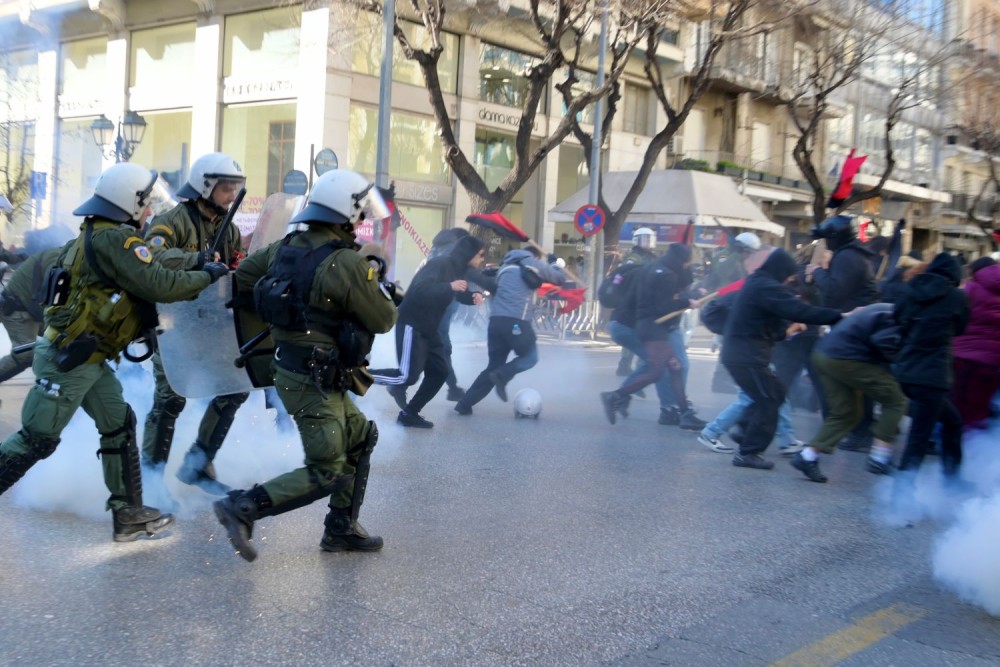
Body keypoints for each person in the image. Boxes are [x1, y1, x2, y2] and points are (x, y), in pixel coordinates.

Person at [0, 163, 228, 542]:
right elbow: (158, 282)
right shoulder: (117, 241)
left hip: (87, 356)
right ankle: (128, 512)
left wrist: (196, 261)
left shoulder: (99, 235)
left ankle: (128, 515)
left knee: (119, 424)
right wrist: (207, 276)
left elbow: (153, 264)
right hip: (70, 361)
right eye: (145, 202)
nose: (149, 211)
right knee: (37, 439)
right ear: (129, 201)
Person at [217, 168, 397, 561]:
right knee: (328, 468)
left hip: (293, 368)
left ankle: (341, 529)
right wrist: (380, 290)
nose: (363, 219)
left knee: (360, 436)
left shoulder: (286, 247)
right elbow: (384, 319)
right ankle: (244, 507)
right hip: (314, 379)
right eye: (360, 211)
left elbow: (245, 275)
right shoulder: (347, 262)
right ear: (344, 213)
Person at [141, 152, 249, 495]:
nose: (232, 196)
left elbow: (237, 266)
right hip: (173, 325)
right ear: (205, 186)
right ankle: (150, 482)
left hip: (213, 325)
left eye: (235, 188)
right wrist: (197, 259)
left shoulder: (228, 228)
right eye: (226, 188)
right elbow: (150, 254)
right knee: (170, 400)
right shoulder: (171, 221)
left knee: (235, 389)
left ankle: (198, 464)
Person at [721, 248, 845, 470]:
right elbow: (796, 310)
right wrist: (838, 317)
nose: (790, 279)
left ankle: (744, 431)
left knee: (773, 394)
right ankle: (748, 451)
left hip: (746, 353)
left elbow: (773, 322)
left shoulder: (760, 283)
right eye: (788, 274)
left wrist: (788, 330)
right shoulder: (765, 286)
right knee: (769, 398)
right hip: (746, 355)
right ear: (780, 269)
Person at [371, 233, 486, 428]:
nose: (482, 259)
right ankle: (355, 374)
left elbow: (455, 293)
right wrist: (449, 286)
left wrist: (471, 296)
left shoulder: (458, 270)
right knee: (407, 376)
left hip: (429, 328)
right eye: (480, 255)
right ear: (469, 253)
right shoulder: (440, 264)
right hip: (412, 323)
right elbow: (420, 290)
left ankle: (409, 413)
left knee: (440, 372)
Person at [789, 303, 908, 483]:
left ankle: (807, 456)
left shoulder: (885, 307)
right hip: (847, 358)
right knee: (896, 401)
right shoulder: (899, 314)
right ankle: (880, 457)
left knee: (845, 413)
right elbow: (885, 342)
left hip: (824, 354)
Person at [600, 243, 706, 430]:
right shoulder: (666, 275)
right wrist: (688, 301)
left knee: (674, 366)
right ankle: (617, 396)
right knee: (659, 370)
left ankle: (684, 413)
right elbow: (663, 307)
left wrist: (685, 298)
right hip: (651, 328)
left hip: (646, 326)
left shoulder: (656, 270)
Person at [454, 246, 565, 415]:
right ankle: (503, 375)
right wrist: (554, 264)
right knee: (530, 357)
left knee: (493, 366)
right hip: (516, 323)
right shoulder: (530, 262)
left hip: (496, 323)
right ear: (534, 256)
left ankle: (465, 403)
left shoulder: (505, 267)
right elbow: (558, 278)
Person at [807, 214, 881, 452]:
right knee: (853, 379)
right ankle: (858, 429)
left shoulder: (849, 257)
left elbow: (834, 293)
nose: (826, 243)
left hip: (857, 328)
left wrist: (818, 272)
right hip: (855, 326)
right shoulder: (850, 254)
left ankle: (862, 431)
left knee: (856, 379)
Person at [893, 252, 969, 481]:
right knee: (919, 438)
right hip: (932, 375)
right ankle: (902, 497)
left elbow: (898, 318)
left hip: (907, 370)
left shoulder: (910, 290)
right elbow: (960, 328)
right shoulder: (957, 297)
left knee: (952, 422)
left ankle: (952, 476)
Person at [0, 244, 65, 387]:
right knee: (25, 355)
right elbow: (54, 290)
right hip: (18, 311)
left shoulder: (61, 256)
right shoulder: (56, 258)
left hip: (30, 312)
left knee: (63, 341)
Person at [706, 231, 761, 394]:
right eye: (747, 251)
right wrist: (736, 254)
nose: (749, 255)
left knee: (732, 342)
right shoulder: (725, 256)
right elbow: (723, 271)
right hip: (723, 303)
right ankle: (720, 380)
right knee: (725, 341)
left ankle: (727, 378)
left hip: (737, 303)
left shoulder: (745, 260)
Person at [951, 257, 1000, 430]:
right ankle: (976, 447)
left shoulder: (970, 289)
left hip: (961, 355)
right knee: (979, 407)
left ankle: (947, 443)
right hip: (992, 360)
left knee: (955, 402)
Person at [615, 227, 657, 376]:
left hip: (647, 299)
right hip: (632, 300)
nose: (647, 242)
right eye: (644, 239)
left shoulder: (652, 258)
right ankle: (624, 363)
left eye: (649, 238)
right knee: (632, 331)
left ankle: (642, 364)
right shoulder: (634, 257)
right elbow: (628, 275)